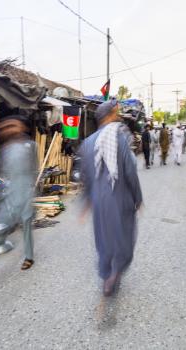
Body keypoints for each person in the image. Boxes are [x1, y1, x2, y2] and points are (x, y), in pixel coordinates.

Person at [80, 98, 143, 297]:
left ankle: (106, 273)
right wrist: (138, 197)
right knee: (124, 237)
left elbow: (86, 177)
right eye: (115, 113)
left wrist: (87, 202)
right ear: (109, 115)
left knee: (103, 237)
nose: (117, 117)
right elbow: (130, 171)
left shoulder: (88, 143)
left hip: (99, 200)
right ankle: (115, 273)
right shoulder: (118, 138)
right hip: (120, 197)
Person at [0, 115, 38, 270]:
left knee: (26, 224)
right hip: (11, 191)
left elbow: (35, 169)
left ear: (22, 127)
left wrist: (33, 190)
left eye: (12, 125)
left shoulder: (31, 146)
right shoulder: (4, 149)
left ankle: (29, 257)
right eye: (6, 127)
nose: (9, 129)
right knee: (3, 218)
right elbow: (4, 172)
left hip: (26, 189)